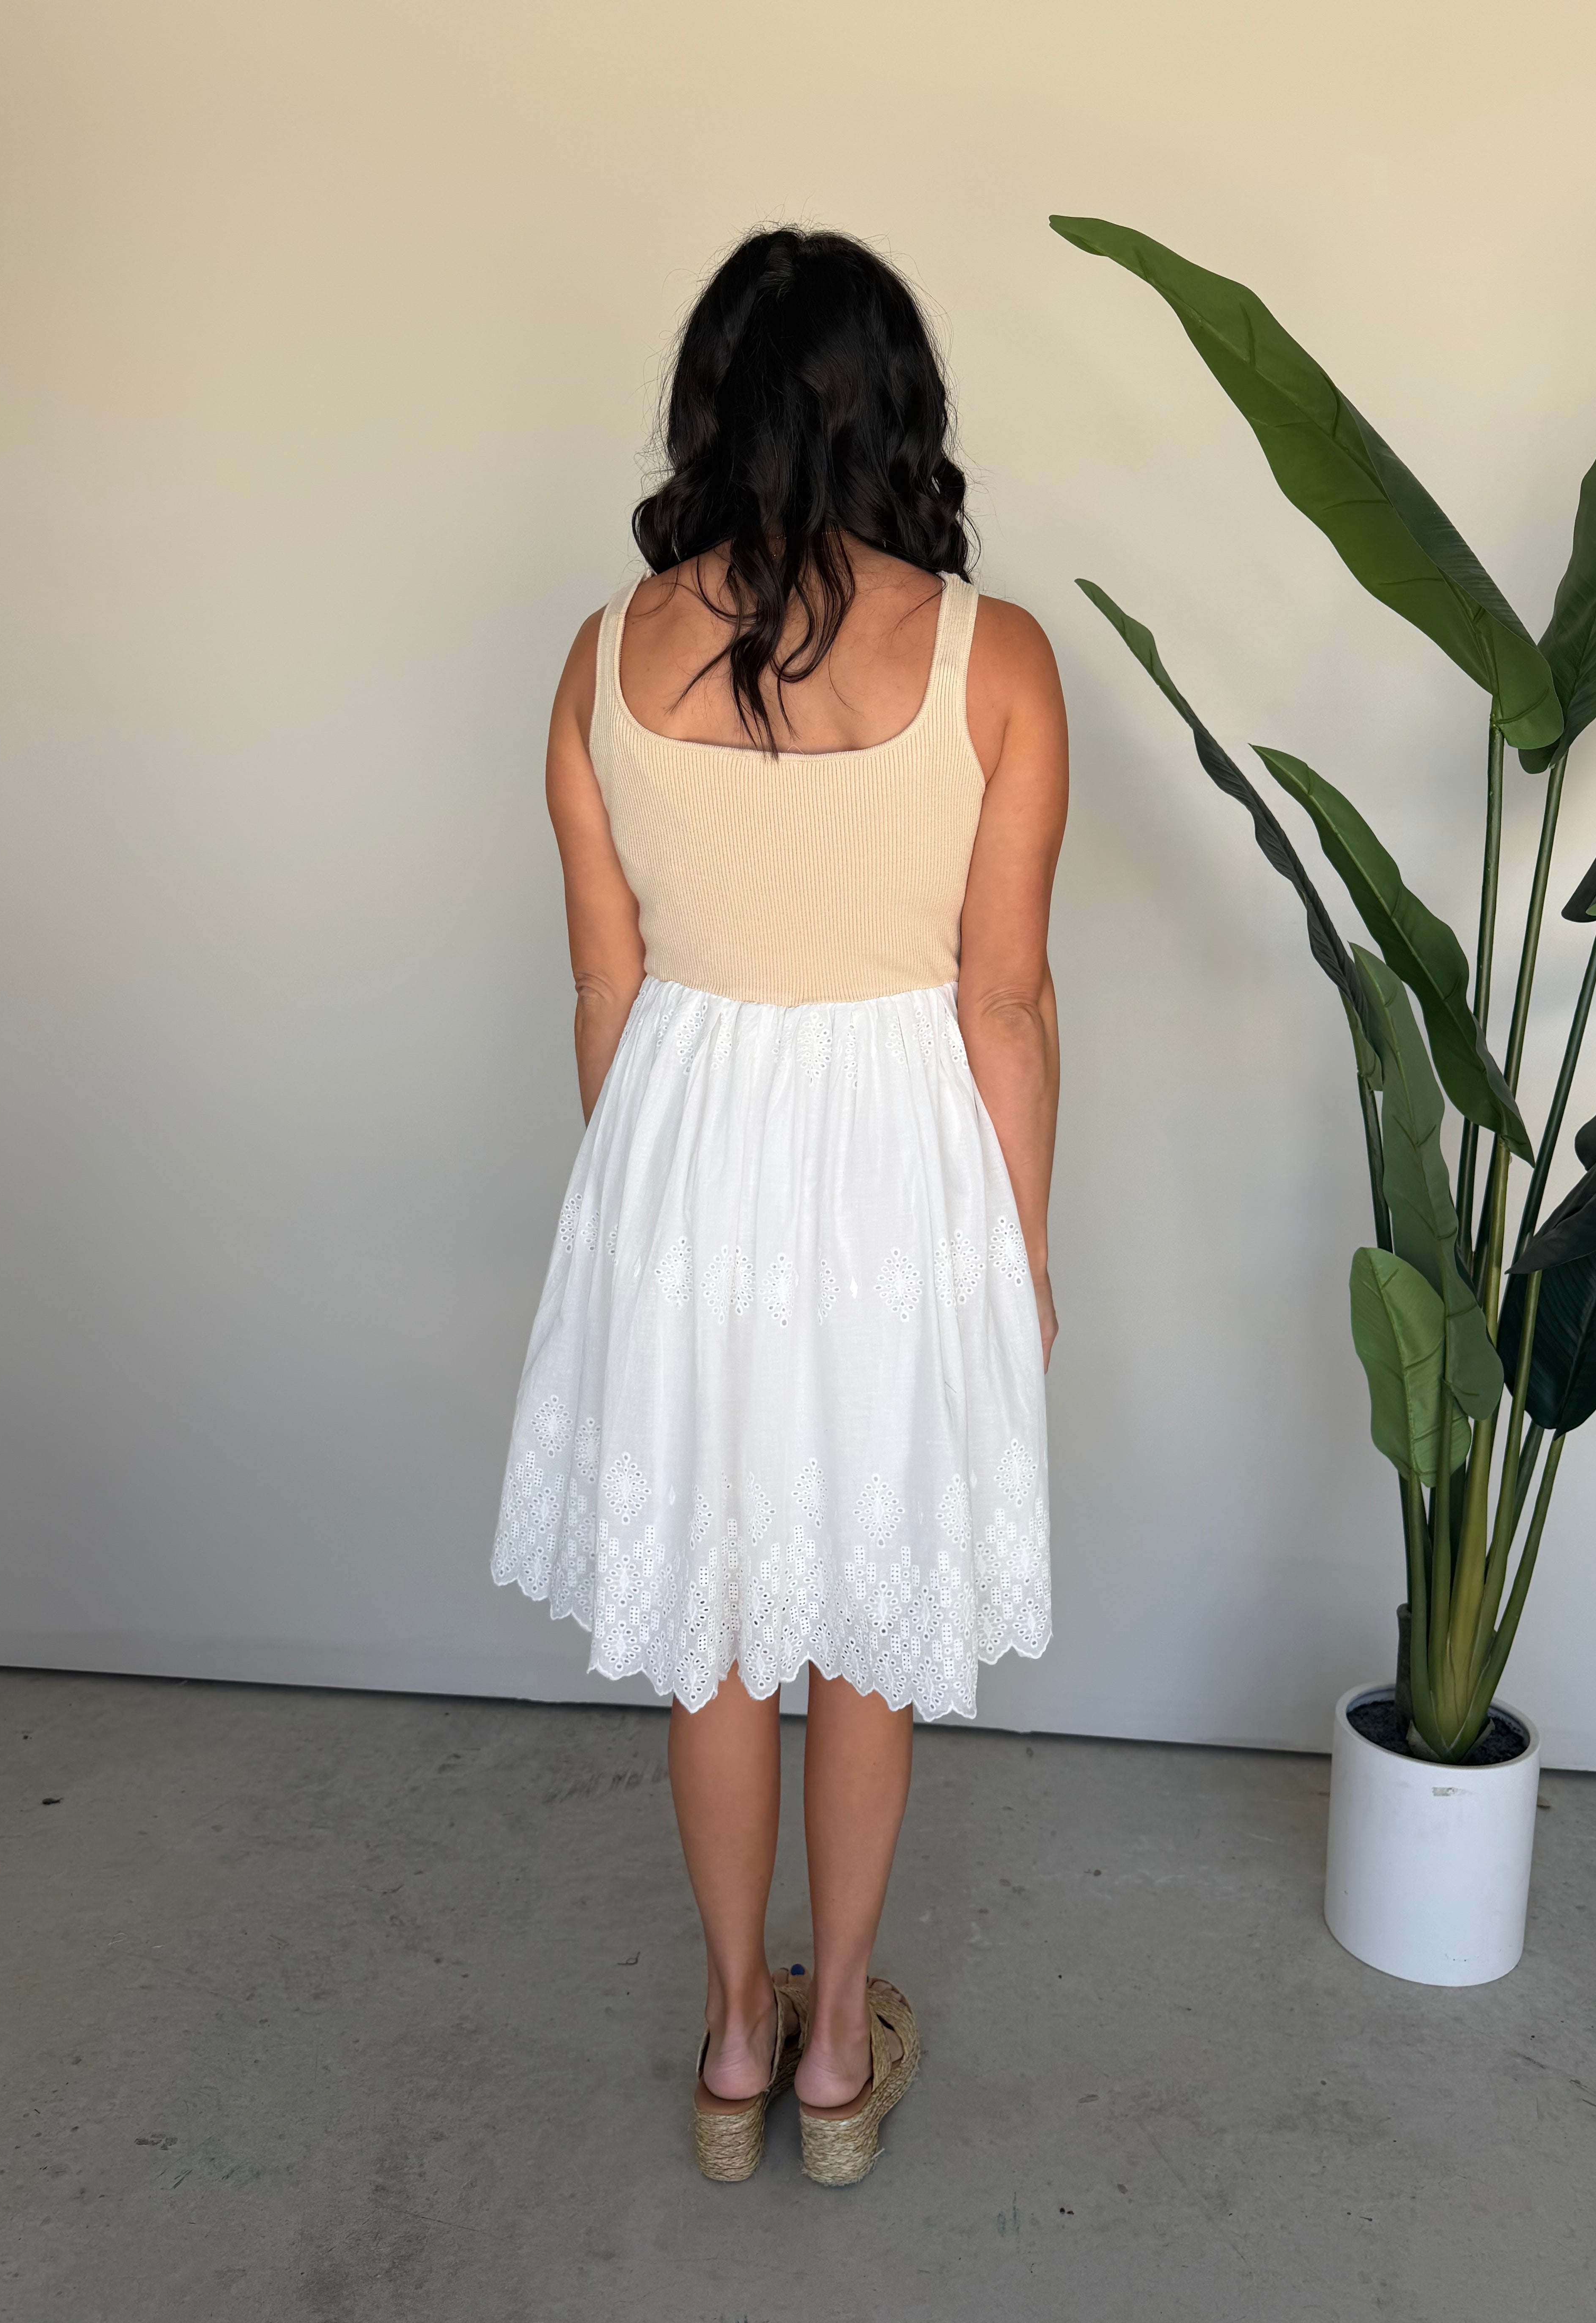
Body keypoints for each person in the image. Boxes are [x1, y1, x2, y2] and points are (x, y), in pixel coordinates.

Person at [491, 226, 1066, 2186]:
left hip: (687, 1159)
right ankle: (837, 2056)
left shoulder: (601, 657)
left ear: (711, 409)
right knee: (863, 1627)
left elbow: (605, 986)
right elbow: (1005, 1000)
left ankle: (734, 2035)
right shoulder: (994, 658)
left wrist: (646, 1224)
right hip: (902, 1171)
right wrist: (1021, 1254)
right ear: (900, 410)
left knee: (719, 1630)